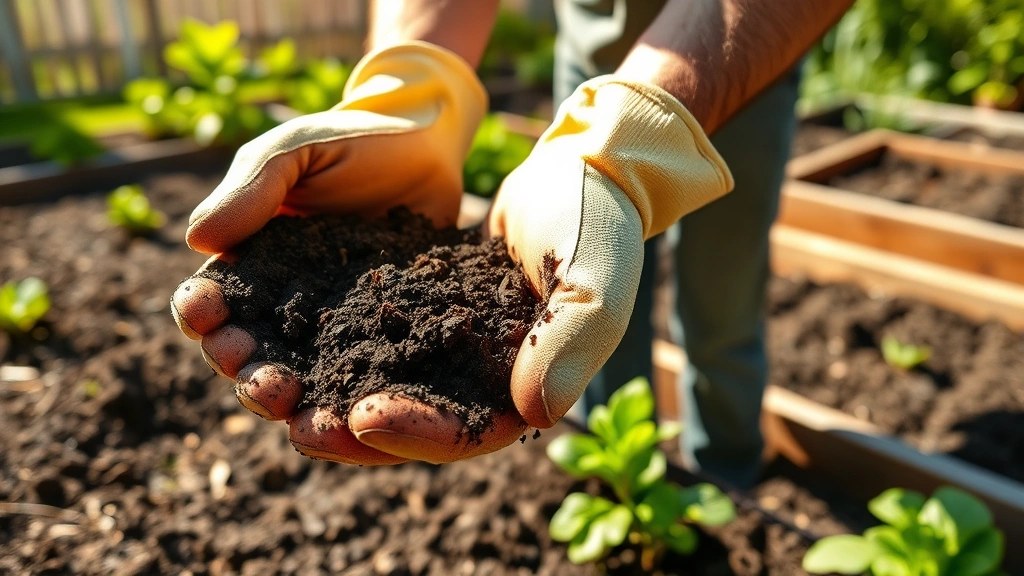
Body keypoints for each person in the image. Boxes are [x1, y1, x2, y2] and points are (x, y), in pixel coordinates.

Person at [171, 0, 853, 486]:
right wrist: (413, 85)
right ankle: (619, 474)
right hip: (597, 39)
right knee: (590, 320)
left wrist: (626, 147)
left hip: (751, 40)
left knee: (722, 299)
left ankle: (725, 473)